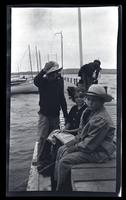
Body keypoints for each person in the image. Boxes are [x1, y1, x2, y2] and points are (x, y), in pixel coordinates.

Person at [54, 84, 116, 192]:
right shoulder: (90, 112)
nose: (90, 102)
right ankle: (57, 180)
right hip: (90, 147)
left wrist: (73, 148)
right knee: (61, 149)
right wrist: (71, 143)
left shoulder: (101, 119)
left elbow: (88, 144)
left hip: (99, 152)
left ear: (102, 102)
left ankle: (61, 189)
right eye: (89, 99)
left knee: (65, 161)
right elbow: (82, 133)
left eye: (94, 100)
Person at [34, 61, 68, 173]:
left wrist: (66, 115)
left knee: (54, 138)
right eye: (52, 73)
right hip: (44, 114)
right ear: (48, 73)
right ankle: (40, 161)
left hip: (55, 115)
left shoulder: (60, 81)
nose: (54, 75)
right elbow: (36, 81)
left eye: (56, 72)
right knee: (43, 138)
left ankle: (52, 158)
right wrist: (44, 70)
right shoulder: (42, 81)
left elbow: (62, 98)